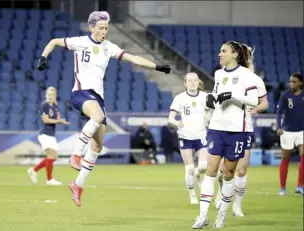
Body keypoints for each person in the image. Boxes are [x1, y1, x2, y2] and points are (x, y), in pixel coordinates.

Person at [37, 11, 171, 206]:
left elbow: (133, 58)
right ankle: (75, 154)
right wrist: (43, 57)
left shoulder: (109, 47)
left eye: (106, 28)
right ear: (91, 28)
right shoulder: (80, 41)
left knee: (97, 146)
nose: (104, 32)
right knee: (98, 116)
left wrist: (156, 66)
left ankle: (78, 184)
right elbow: (54, 41)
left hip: (97, 98)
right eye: (100, 28)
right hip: (81, 93)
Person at [192, 41, 259, 229]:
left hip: (237, 130)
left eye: (223, 51)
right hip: (216, 127)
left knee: (229, 174)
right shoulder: (219, 74)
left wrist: (233, 96)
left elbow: (254, 100)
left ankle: (221, 216)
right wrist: (211, 99)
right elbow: (215, 94)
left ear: (235, 54)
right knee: (211, 171)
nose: (219, 54)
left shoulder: (246, 75)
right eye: (220, 51)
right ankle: (202, 216)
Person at [214, 44, 269, 216]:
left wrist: (257, 108)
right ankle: (221, 193)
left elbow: (264, 102)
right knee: (222, 170)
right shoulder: (224, 74)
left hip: (244, 128)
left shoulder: (252, 78)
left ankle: (237, 205)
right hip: (224, 127)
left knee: (241, 169)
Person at [168, 72, 209, 204]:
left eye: (195, 80)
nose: (192, 82)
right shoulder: (180, 98)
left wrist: (208, 118)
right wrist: (176, 123)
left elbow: (210, 112)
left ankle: (198, 173)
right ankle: (192, 194)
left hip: (201, 135)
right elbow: (170, 118)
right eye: (189, 80)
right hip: (185, 136)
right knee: (189, 167)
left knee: (203, 166)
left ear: (198, 82)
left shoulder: (205, 97)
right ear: (185, 83)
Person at [27, 87, 69, 185]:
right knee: (51, 156)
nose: (49, 96)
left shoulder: (55, 106)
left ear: (55, 96)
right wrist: (58, 121)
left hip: (51, 135)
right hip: (45, 134)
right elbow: (45, 120)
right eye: (48, 94)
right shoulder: (44, 105)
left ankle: (34, 170)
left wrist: (61, 121)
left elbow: (57, 118)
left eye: (52, 95)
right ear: (46, 95)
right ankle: (49, 180)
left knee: (54, 157)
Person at [276, 72, 304, 195]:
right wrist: (278, 126)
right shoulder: (285, 95)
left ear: (301, 83)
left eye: (294, 81)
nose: (291, 83)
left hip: (302, 131)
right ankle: (283, 188)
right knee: (285, 158)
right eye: (290, 81)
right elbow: (279, 112)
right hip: (287, 131)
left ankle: (300, 186)